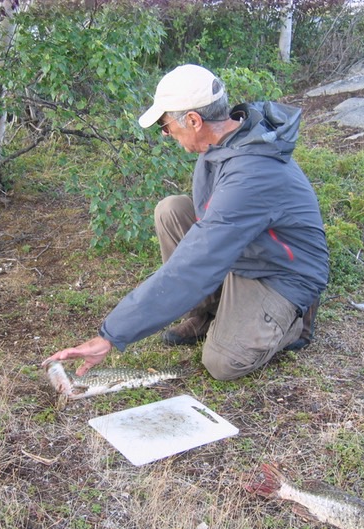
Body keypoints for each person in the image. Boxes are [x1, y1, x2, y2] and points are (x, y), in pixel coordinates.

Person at [42, 64, 329, 380]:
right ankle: (207, 313)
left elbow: (194, 265)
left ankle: (293, 322)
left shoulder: (252, 173)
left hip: (281, 273)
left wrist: (110, 336)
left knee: (223, 363)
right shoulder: (224, 144)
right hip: (248, 252)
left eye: (165, 126)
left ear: (193, 120)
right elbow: (206, 236)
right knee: (171, 209)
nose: (165, 135)